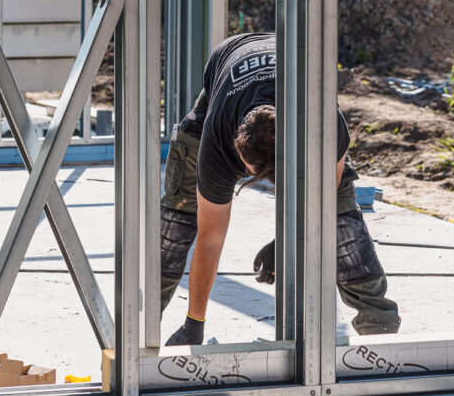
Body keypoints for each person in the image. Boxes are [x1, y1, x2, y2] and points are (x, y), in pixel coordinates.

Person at [160, 32, 400, 345]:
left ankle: (380, 335)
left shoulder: (324, 123)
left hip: (292, 69)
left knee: (342, 226)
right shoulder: (218, 141)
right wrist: (195, 323)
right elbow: (210, 239)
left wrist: (286, 239)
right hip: (229, 64)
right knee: (176, 228)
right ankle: (136, 332)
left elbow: (325, 203)